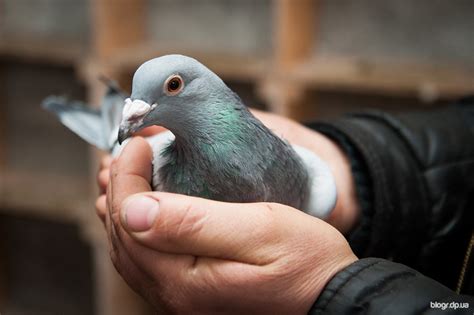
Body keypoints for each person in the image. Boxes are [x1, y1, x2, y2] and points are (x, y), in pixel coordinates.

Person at [96, 98, 474, 314]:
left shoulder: (304, 173)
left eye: (174, 86)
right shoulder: (160, 157)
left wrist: (326, 291)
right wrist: (358, 173)